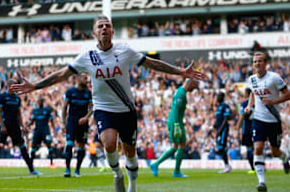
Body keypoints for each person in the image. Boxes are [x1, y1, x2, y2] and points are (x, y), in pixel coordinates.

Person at [11, 14, 208, 192]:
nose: (104, 28)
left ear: (112, 31)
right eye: (100, 26)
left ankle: (132, 186)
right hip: (103, 109)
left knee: (130, 151)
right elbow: (62, 74)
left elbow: (152, 63)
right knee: (109, 143)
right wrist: (35, 86)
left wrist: (180, 72)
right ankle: (117, 174)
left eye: (107, 25)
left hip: (127, 109)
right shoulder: (87, 56)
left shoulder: (124, 50)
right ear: (95, 33)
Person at [245, 52, 290, 192]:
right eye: (255, 61)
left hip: (274, 121)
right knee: (258, 148)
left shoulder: (274, 78)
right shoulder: (251, 79)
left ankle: (284, 158)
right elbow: (253, 94)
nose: (257, 64)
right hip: (258, 119)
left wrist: (273, 102)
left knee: (275, 152)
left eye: (260, 61)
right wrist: (249, 106)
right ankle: (262, 183)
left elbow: (288, 95)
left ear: (265, 63)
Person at [0, 79, 41, 176]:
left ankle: (32, 170)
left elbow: (19, 114)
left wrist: (22, 126)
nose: (15, 86)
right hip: (5, 125)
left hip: (15, 126)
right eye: (13, 84)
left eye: (16, 85)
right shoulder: (2, 96)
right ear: (8, 85)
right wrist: (2, 126)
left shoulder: (17, 98)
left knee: (22, 146)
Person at [150, 79, 199, 178]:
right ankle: (175, 171)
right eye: (194, 85)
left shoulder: (181, 91)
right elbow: (176, 109)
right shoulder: (181, 94)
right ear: (190, 83)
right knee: (181, 145)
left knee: (176, 146)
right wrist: (177, 125)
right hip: (175, 122)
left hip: (175, 121)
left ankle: (156, 165)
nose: (195, 88)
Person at [62, 74, 92, 178]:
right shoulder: (70, 92)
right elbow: (64, 108)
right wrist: (63, 122)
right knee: (69, 144)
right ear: (78, 79)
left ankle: (77, 170)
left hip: (83, 123)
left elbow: (92, 108)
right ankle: (67, 169)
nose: (86, 80)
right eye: (84, 78)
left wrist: (86, 117)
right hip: (72, 122)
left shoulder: (88, 93)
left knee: (81, 146)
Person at [28, 97, 55, 168]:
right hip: (37, 130)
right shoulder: (35, 111)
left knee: (49, 145)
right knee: (33, 145)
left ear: (43, 102)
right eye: (39, 101)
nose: (40, 102)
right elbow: (32, 121)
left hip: (45, 130)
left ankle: (52, 163)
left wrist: (53, 129)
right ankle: (31, 163)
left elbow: (51, 120)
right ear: (37, 102)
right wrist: (28, 125)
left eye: (41, 101)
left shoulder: (47, 110)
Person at [236, 88, 255, 174]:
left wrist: (238, 127)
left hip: (247, 129)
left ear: (247, 94)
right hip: (257, 128)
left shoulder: (244, 104)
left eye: (244, 93)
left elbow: (242, 116)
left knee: (249, 149)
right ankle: (260, 166)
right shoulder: (256, 103)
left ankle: (253, 169)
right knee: (257, 148)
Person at [213, 92, 232, 173]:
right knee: (219, 147)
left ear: (223, 97)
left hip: (223, 129)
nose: (218, 97)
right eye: (217, 96)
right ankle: (227, 165)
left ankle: (227, 166)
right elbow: (218, 119)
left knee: (221, 147)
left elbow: (226, 118)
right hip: (218, 129)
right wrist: (213, 126)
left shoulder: (225, 105)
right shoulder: (218, 107)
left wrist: (220, 130)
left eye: (219, 96)